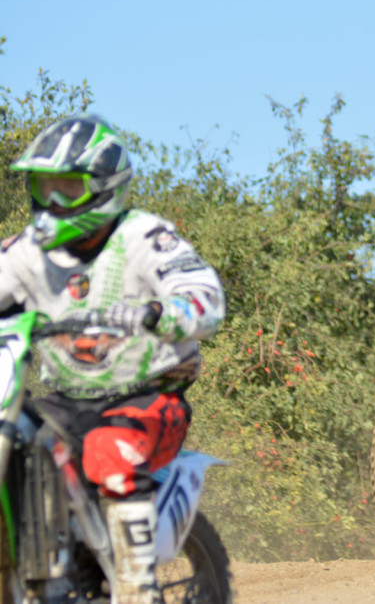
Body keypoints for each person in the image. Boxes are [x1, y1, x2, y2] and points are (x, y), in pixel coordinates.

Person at [0, 116, 225, 604]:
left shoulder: (144, 236)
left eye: (68, 188)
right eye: (45, 187)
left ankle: (137, 589)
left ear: (103, 189)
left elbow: (203, 293)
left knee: (111, 449)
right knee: (12, 436)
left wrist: (159, 312)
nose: (53, 202)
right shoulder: (29, 251)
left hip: (149, 396)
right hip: (66, 400)